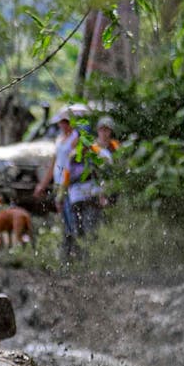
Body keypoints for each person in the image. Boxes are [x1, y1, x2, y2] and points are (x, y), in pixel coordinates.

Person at [65, 116, 120, 247]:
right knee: (76, 229)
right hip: (76, 198)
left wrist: (103, 194)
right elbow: (67, 176)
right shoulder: (73, 155)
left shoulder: (101, 153)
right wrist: (62, 193)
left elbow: (103, 175)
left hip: (93, 196)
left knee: (92, 227)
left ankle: (93, 251)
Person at [33, 107, 81, 255]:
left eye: (66, 122)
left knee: (70, 213)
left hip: (70, 181)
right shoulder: (59, 140)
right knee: (62, 213)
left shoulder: (75, 138)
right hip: (59, 181)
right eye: (61, 122)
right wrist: (43, 184)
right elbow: (54, 163)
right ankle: (67, 248)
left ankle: (76, 247)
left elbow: (75, 160)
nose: (63, 125)